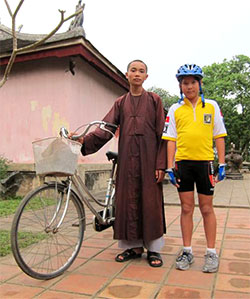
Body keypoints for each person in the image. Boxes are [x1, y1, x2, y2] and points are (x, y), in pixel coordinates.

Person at [72, 60, 167, 267]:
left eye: (141, 71)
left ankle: (153, 250)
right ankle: (131, 247)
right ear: (127, 75)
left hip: (150, 160)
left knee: (150, 203)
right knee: (127, 201)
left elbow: (163, 134)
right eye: (133, 70)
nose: (137, 74)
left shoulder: (154, 100)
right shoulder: (120, 103)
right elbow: (106, 129)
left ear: (146, 77)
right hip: (127, 161)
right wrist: (83, 140)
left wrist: (161, 164)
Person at [162, 64, 227, 273]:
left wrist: (222, 163)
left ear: (200, 84)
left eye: (192, 82)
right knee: (186, 208)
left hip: (205, 163)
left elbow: (219, 136)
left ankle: (211, 253)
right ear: (180, 86)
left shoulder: (212, 107)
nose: (189, 86)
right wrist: (170, 167)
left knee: (207, 208)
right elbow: (170, 139)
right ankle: (187, 251)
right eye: (185, 83)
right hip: (183, 164)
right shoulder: (174, 109)